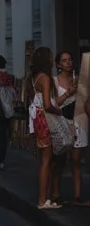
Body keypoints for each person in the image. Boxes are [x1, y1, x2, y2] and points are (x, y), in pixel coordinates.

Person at [28, 47, 64, 210]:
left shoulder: (34, 78)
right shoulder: (45, 78)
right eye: (50, 57)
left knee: (44, 160)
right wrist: (59, 112)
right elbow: (48, 105)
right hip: (45, 119)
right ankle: (43, 200)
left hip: (37, 119)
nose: (52, 60)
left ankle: (46, 198)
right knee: (46, 160)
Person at [54, 51, 86, 203]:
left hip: (78, 121)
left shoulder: (77, 79)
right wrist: (68, 93)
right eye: (64, 60)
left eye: (70, 59)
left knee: (76, 159)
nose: (68, 62)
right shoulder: (54, 81)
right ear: (58, 64)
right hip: (62, 122)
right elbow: (53, 104)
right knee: (60, 160)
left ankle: (77, 196)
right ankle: (56, 193)